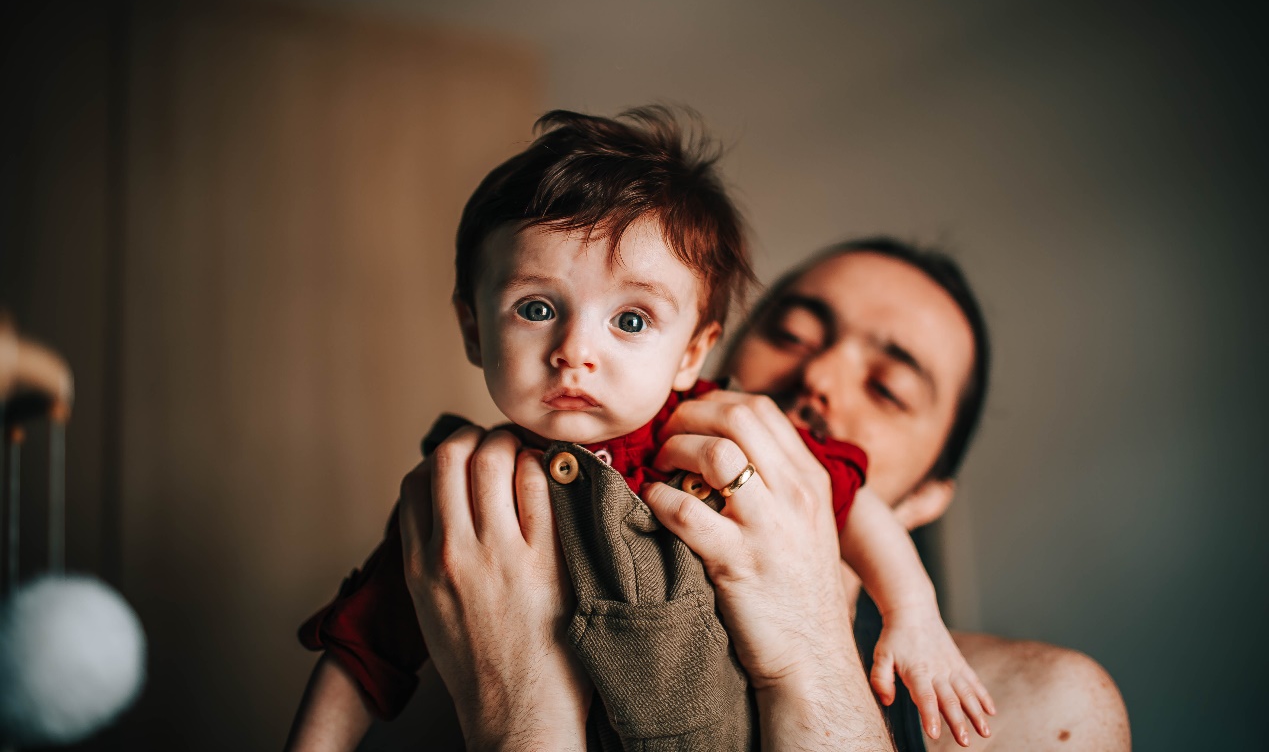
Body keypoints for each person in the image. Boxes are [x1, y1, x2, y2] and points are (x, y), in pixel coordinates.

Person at [287, 108, 991, 750]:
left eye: (629, 320)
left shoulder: (716, 444)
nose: (575, 350)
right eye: (535, 307)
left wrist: (915, 614)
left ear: (692, 353)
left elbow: (838, 494)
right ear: (473, 327)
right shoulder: (466, 496)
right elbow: (362, 650)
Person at [390, 237, 1131, 751]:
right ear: (697, 361)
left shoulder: (1043, 710)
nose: (820, 379)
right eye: (794, 333)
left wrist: (813, 647)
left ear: (923, 502)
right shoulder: (482, 609)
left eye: (886, 387)